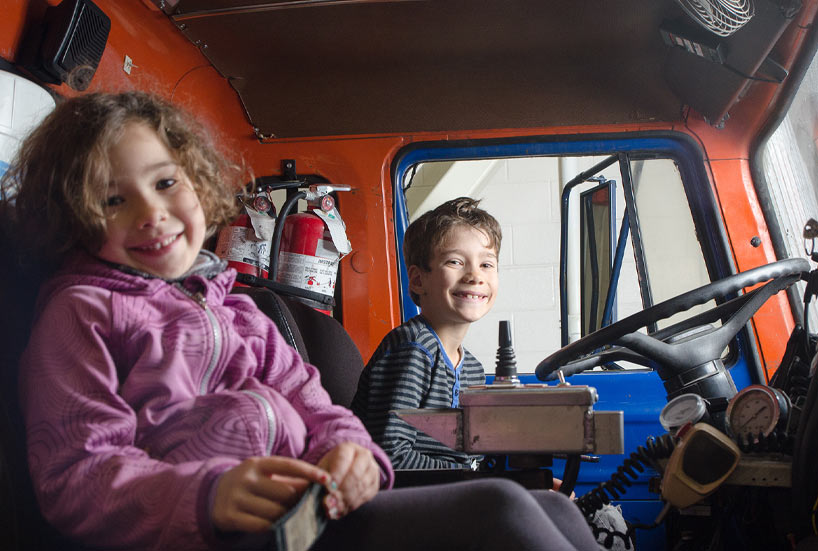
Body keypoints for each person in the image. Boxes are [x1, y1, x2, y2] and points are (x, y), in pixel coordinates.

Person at [3, 91, 599, 551]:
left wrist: (350, 452)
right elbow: (77, 472)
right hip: (210, 529)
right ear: (77, 217)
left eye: (165, 182)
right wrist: (204, 498)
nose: (153, 213)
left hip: (308, 510)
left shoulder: (235, 305)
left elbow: (311, 402)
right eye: (114, 199)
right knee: (501, 510)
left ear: (194, 178)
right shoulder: (83, 312)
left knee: (556, 509)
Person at [352, 197, 497, 469]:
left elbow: (473, 458)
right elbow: (390, 457)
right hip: (407, 497)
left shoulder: (473, 369)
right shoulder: (413, 349)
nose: (475, 276)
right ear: (419, 280)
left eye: (486, 265)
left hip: (453, 491)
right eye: (455, 262)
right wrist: (474, 481)